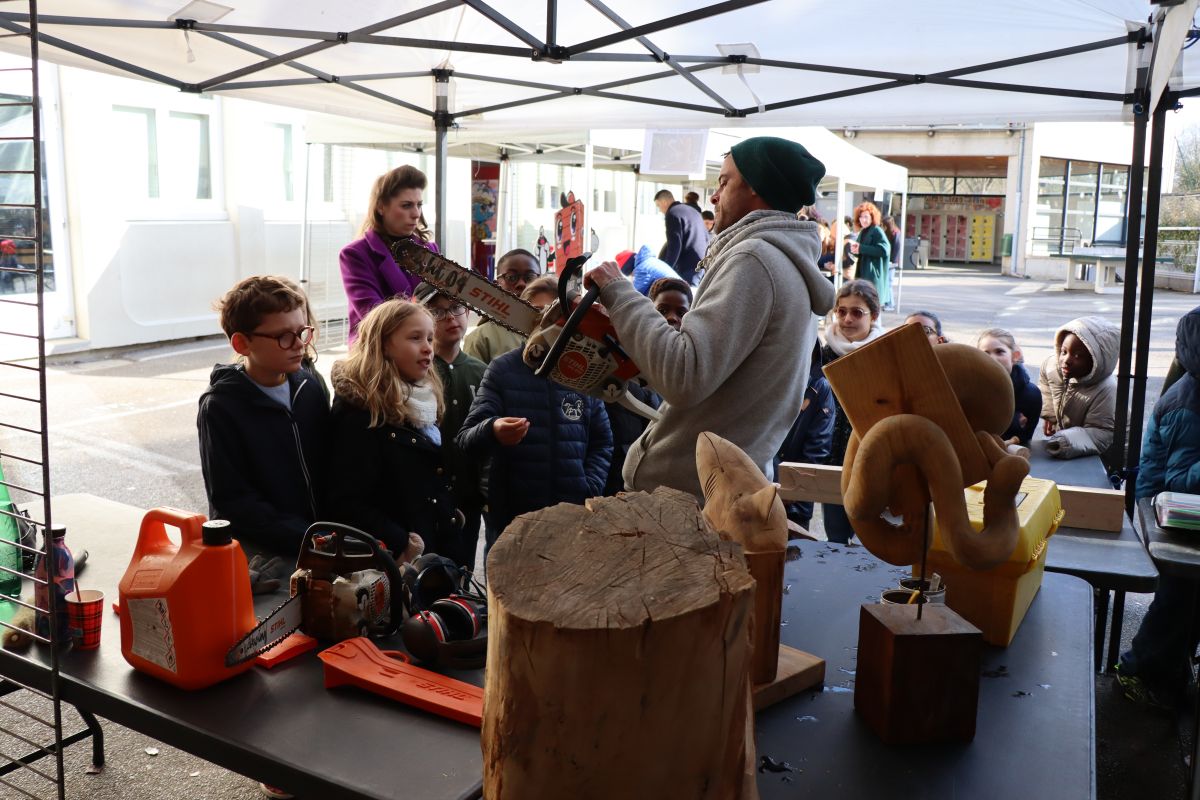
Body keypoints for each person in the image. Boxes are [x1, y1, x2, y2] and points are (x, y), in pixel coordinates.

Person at [584, 136, 836, 499]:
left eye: (724, 182)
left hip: (689, 498)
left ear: (756, 188)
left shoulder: (754, 260)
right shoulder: (784, 262)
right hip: (721, 487)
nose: (714, 197)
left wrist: (620, 292)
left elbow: (684, 374)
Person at [455, 282, 613, 551]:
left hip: (571, 517)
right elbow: (466, 439)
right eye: (542, 312)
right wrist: (492, 429)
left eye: (560, 313)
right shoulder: (503, 370)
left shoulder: (584, 375)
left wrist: (589, 486)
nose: (551, 321)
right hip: (511, 519)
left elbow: (602, 442)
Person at [197, 276, 329, 555]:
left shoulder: (310, 387)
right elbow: (233, 501)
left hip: (322, 544)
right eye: (283, 336)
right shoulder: (220, 407)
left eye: (303, 331)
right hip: (267, 555)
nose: (298, 344)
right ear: (242, 344)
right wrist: (305, 538)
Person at [326, 299, 461, 562]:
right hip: (398, 563)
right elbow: (346, 501)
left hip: (435, 552)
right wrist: (402, 543)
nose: (428, 349)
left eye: (430, 338)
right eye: (415, 338)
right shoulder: (360, 412)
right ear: (384, 344)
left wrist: (448, 515)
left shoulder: (423, 400)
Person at [1117, 307, 1200, 708]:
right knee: (1174, 603)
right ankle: (1141, 672)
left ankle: (1172, 668)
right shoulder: (1188, 405)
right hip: (1168, 522)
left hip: (1184, 520)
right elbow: (1177, 482)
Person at [416, 283, 489, 569]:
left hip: (468, 494)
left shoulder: (480, 371)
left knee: (463, 570)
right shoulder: (417, 368)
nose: (451, 317)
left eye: (457, 307)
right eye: (438, 310)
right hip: (427, 494)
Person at [340, 165, 438, 340]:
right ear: (381, 207)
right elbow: (375, 317)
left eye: (419, 205)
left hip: (425, 351)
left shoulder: (429, 249)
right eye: (407, 205)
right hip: (377, 356)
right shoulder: (355, 254)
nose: (416, 213)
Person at [821, 279, 885, 544]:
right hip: (831, 455)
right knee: (835, 535)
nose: (847, 318)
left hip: (872, 457)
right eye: (841, 311)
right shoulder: (822, 355)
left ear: (874, 315)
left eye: (857, 312)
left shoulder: (884, 353)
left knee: (871, 537)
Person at [1038, 315, 1119, 462]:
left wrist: (1065, 439)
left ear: (1095, 360)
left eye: (1078, 356)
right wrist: (1050, 414)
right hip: (1071, 442)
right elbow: (1046, 378)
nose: (1067, 360)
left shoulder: (1107, 390)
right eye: (1064, 351)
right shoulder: (1054, 366)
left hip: (1101, 456)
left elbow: (1103, 432)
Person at [775, 340, 835, 532]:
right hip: (758, 493)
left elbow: (817, 448)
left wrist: (791, 492)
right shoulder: (768, 381)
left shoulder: (819, 388)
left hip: (794, 505)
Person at [462, 248, 540, 364]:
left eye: (530, 277)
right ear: (496, 284)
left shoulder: (557, 329)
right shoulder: (481, 337)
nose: (521, 284)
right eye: (511, 277)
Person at [977, 327, 1041, 446]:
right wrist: (1010, 421)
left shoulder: (1030, 394)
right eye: (985, 353)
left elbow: (1023, 441)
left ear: (1014, 356)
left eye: (999, 351)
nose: (992, 358)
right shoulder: (970, 389)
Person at [653, 189, 708, 286]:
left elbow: (674, 245)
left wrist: (665, 269)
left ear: (664, 202)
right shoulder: (691, 210)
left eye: (658, 206)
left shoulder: (673, 213)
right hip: (702, 260)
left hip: (688, 264)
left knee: (686, 296)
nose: (660, 210)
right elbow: (706, 235)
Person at [850, 202, 891, 309]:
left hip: (873, 276)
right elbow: (861, 250)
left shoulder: (877, 230)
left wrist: (861, 248)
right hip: (864, 274)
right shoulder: (864, 231)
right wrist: (856, 250)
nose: (863, 219)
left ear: (872, 217)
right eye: (861, 217)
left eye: (866, 216)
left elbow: (884, 250)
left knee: (873, 308)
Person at [616, 246, 682, 296]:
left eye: (631, 274)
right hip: (680, 290)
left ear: (630, 268)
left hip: (676, 293)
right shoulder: (649, 260)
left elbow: (636, 294)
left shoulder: (641, 268)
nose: (633, 276)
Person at [881, 215, 902, 310]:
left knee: (888, 283)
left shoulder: (896, 234)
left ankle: (890, 304)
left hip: (891, 262)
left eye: (884, 225)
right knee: (887, 283)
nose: (882, 227)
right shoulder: (889, 233)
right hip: (888, 261)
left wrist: (892, 261)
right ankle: (889, 303)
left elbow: (896, 249)